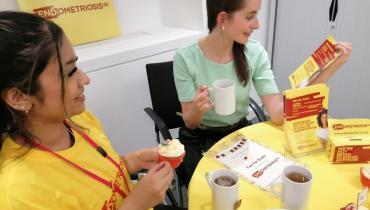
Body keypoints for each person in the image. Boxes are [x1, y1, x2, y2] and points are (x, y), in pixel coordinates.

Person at [0, 11, 185, 210]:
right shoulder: (20, 192)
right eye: (70, 72)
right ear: (19, 98)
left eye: (76, 65)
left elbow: (94, 180)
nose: (85, 79)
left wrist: (131, 161)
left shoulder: (78, 120)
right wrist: (134, 206)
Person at [173, 0, 352, 186]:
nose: (257, 24)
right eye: (250, 16)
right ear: (223, 18)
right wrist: (198, 108)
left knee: (267, 181)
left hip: (237, 134)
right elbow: (190, 121)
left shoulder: (255, 53)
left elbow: (277, 113)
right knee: (214, 191)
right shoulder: (185, 58)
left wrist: (329, 69)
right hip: (199, 139)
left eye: (257, 15)